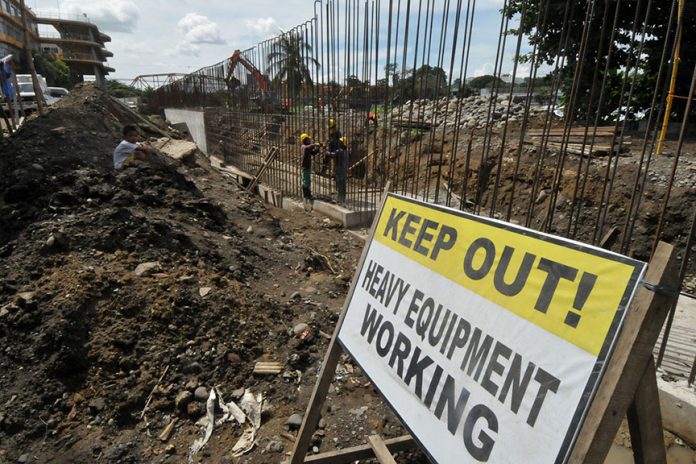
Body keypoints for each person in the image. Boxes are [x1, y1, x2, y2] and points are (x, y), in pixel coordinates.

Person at [300, 133, 320, 211]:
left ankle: (308, 194)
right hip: (305, 167)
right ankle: (306, 195)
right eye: (308, 139)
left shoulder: (307, 148)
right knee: (305, 181)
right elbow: (308, 148)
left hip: (307, 167)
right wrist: (315, 144)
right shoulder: (304, 147)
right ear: (305, 140)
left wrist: (318, 148)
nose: (309, 140)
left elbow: (313, 153)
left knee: (307, 181)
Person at [329, 136, 349, 207]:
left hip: (339, 170)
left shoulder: (339, 151)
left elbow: (332, 155)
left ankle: (340, 200)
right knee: (343, 185)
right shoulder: (346, 151)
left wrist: (327, 152)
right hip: (344, 170)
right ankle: (343, 199)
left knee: (339, 185)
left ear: (342, 143)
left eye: (340, 142)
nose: (339, 143)